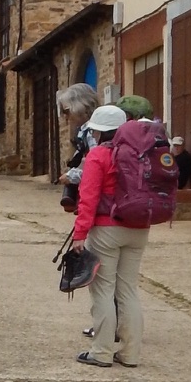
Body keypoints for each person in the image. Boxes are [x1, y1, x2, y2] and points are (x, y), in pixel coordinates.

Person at [69, 102, 148, 368]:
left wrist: (79, 234)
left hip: (106, 229)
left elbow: (88, 198)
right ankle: (130, 353)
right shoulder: (141, 153)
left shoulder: (99, 155)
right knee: (128, 291)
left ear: (99, 131)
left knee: (103, 290)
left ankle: (101, 352)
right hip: (138, 229)